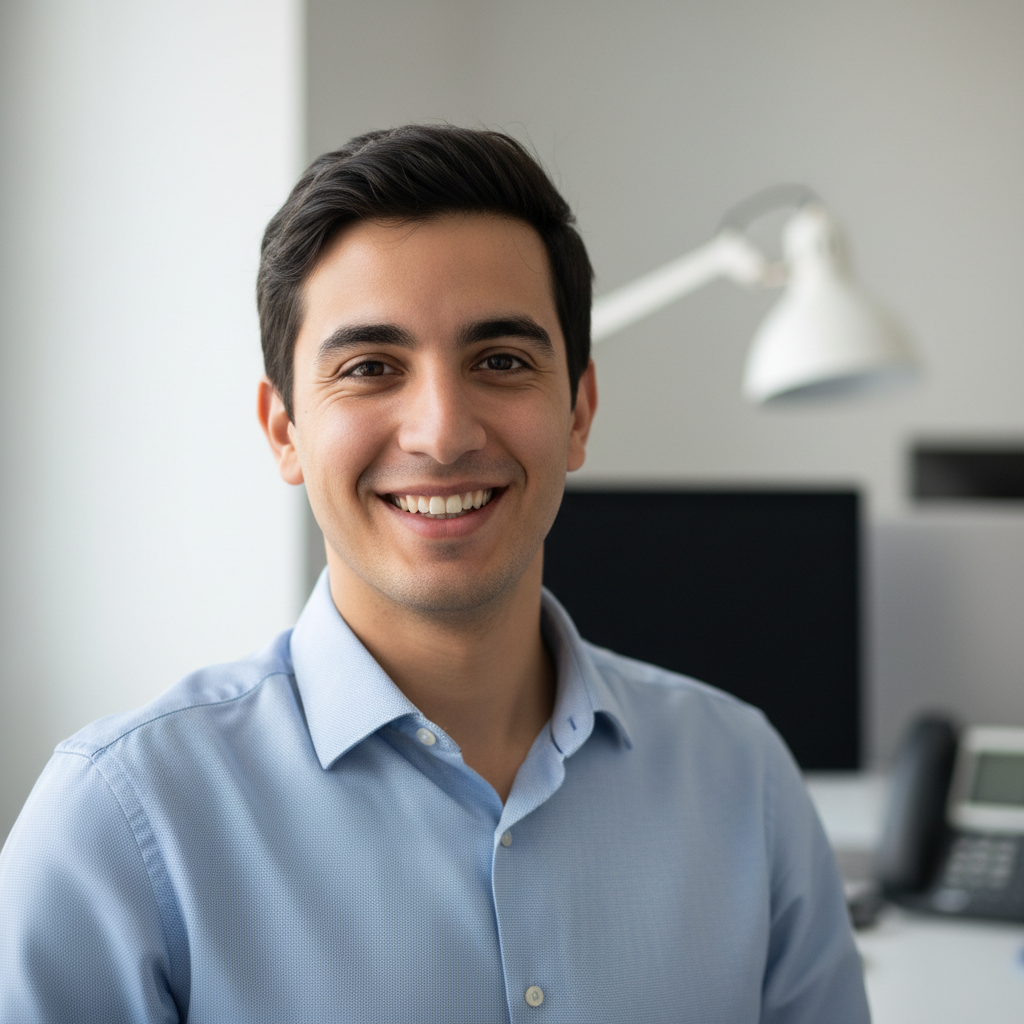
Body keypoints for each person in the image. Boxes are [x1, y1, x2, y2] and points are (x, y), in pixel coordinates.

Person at [0, 125, 869, 1022]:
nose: (443, 432)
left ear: (579, 411)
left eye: (500, 361)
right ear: (284, 431)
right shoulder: (121, 824)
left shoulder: (745, 783)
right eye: (371, 368)